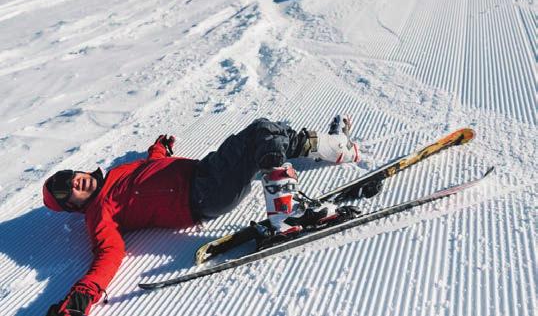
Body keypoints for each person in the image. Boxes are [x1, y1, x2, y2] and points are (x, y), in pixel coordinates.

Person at [43, 116, 360, 316]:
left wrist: (159, 151)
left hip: (205, 172)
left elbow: (147, 171)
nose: (72, 182)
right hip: (202, 193)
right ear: (72, 205)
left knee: (273, 135)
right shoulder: (99, 211)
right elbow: (108, 253)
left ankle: (336, 146)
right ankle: (283, 215)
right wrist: (81, 298)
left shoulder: (114, 174)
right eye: (64, 192)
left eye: (67, 176)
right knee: (263, 132)